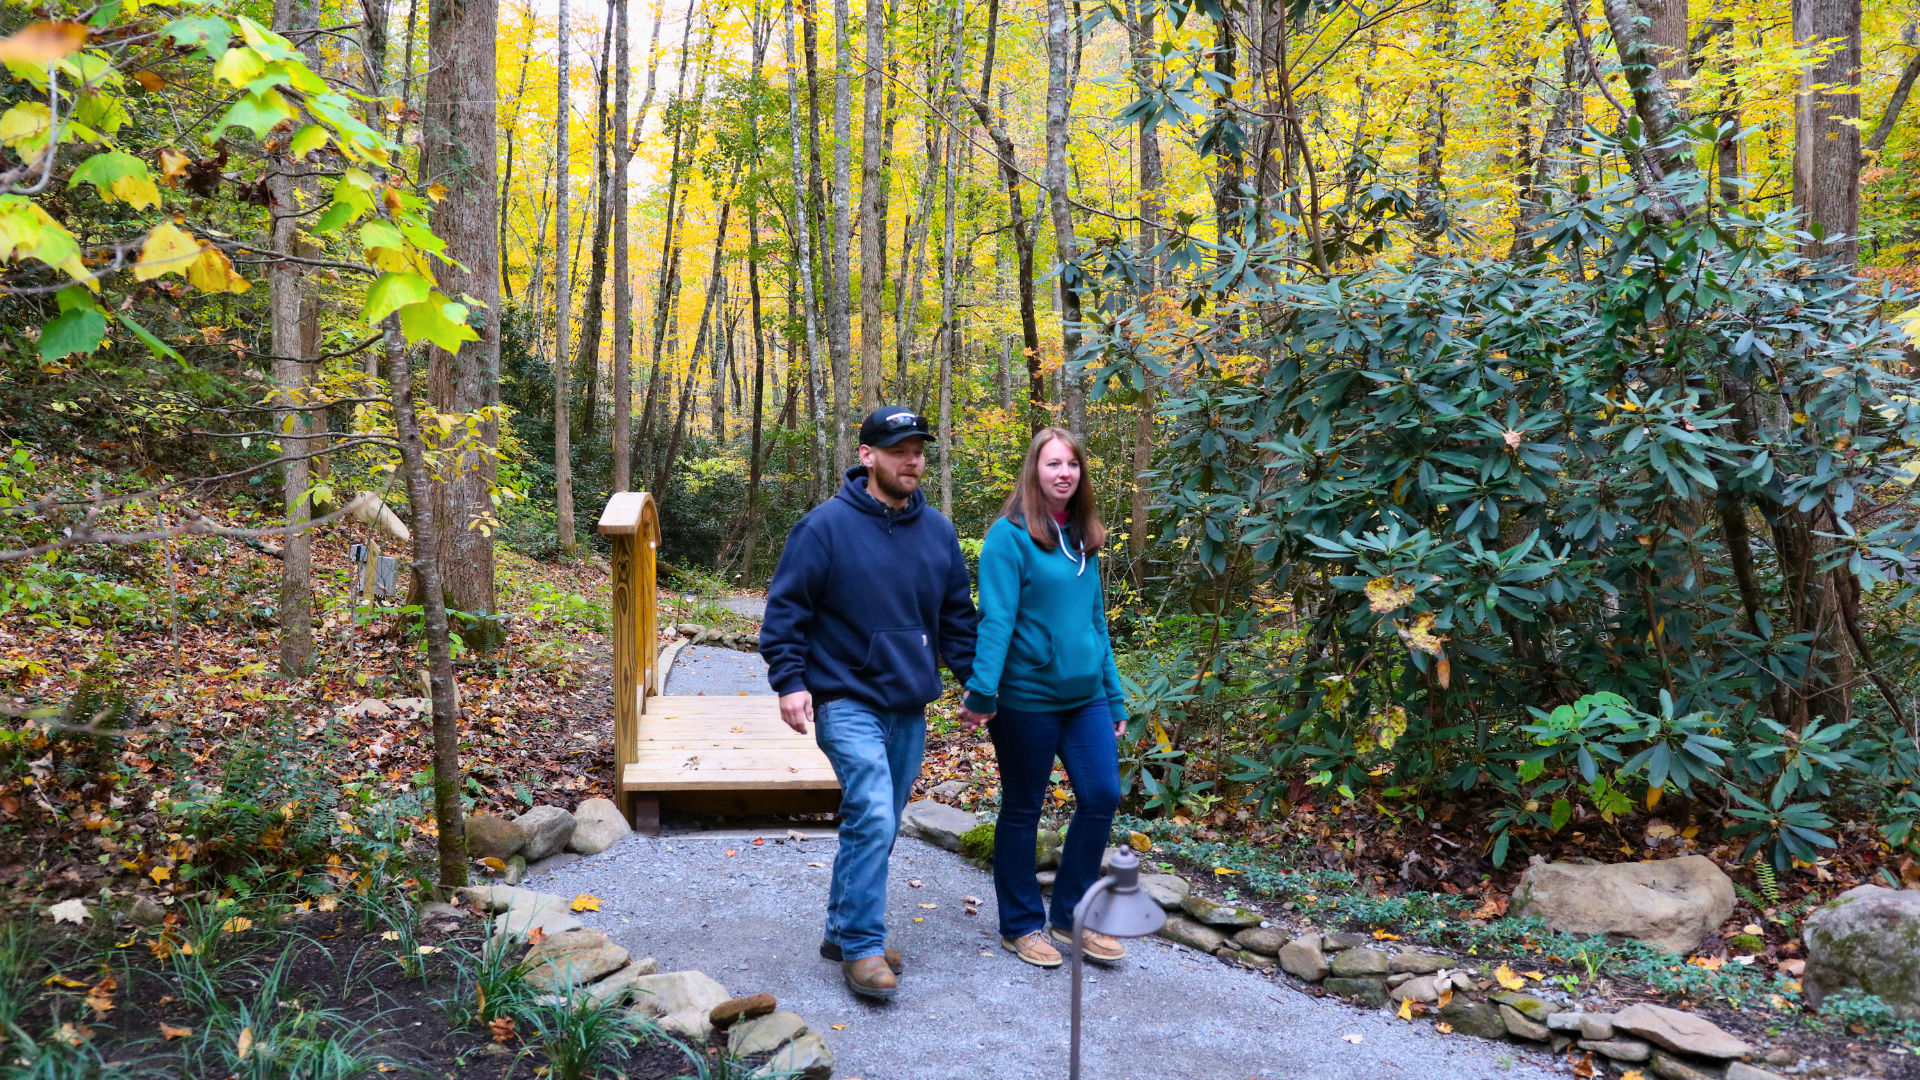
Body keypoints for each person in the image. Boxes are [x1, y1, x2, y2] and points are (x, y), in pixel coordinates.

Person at [760, 406, 979, 1001]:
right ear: (868, 456)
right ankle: (861, 945)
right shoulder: (824, 528)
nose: (913, 459)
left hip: (908, 703)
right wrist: (790, 680)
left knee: (874, 825)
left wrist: (979, 683)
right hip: (844, 698)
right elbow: (786, 614)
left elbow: (958, 618)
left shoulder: (937, 531)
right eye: (900, 449)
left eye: (919, 449)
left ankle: (840, 930)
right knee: (877, 812)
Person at [961, 427, 1129, 969]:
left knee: (1102, 795)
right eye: (1053, 463)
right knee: (1023, 808)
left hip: (1085, 699)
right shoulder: (1008, 537)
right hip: (1025, 697)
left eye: (1072, 465)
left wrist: (1115, 697)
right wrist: (983, 691)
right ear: (1035, 470)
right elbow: (996, 619)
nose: (1064, 473)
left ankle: (1070, 913)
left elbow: (1096, 623)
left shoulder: (1084, 537)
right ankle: (1020, 924)